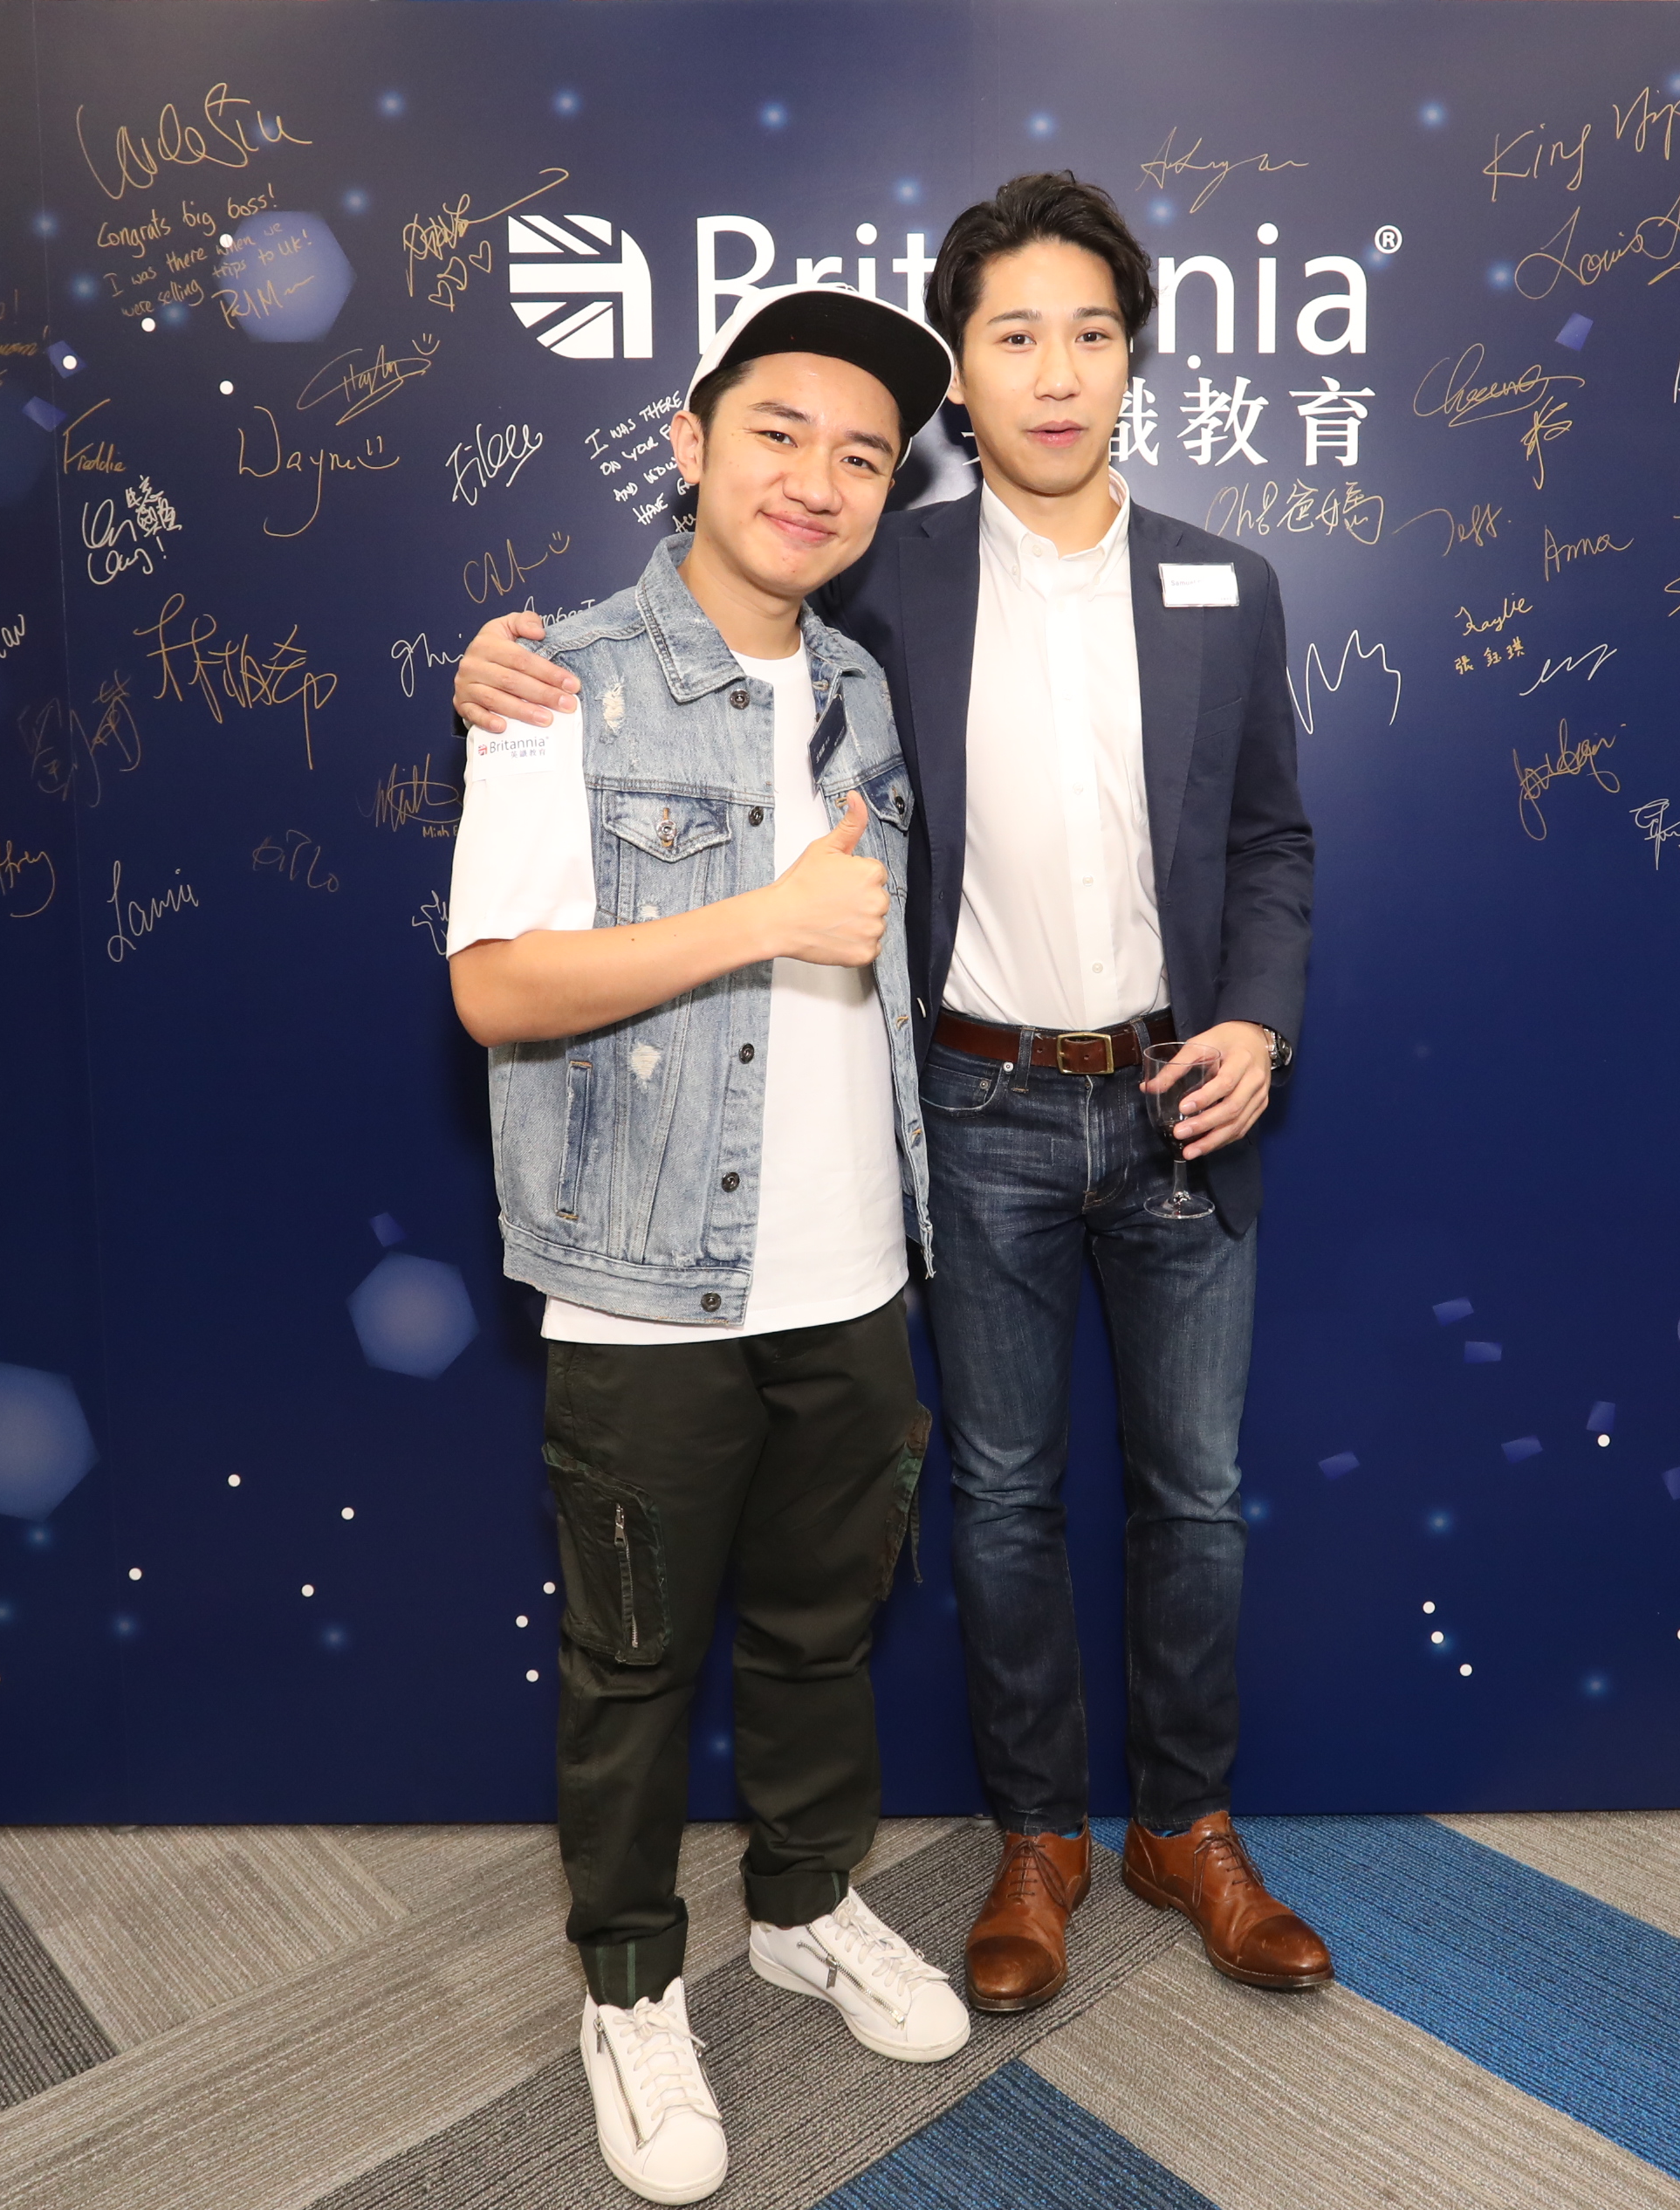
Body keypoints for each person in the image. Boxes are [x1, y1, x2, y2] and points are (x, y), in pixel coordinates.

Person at [459, 173, 1329, 2016]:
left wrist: (1259, 1022)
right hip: (976, 1110)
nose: (1056, 372)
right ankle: (1039, 1843)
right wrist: (500, 673)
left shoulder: (1227, 584)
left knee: (1196, 1495)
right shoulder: (879, 581)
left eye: (1091, 334)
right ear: (965, 376)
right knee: (998, 1497)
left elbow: (1271, 837)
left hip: (1180, 1108)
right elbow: (697, 656)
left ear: (1134, 360)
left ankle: (1188, 1827)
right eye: (1014, 335)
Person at [445, 285, 976, 2204]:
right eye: (778, 432)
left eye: (863, 455)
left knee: (825, 1633)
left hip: (855, 1269)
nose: (817, 478)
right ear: (689, 443)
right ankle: (628, 1984)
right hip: (644, 1277)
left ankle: (807, 1906)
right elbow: (498, 987)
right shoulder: (558, 679)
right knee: (634, 1661)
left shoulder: (861, 689)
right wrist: (761, 916)